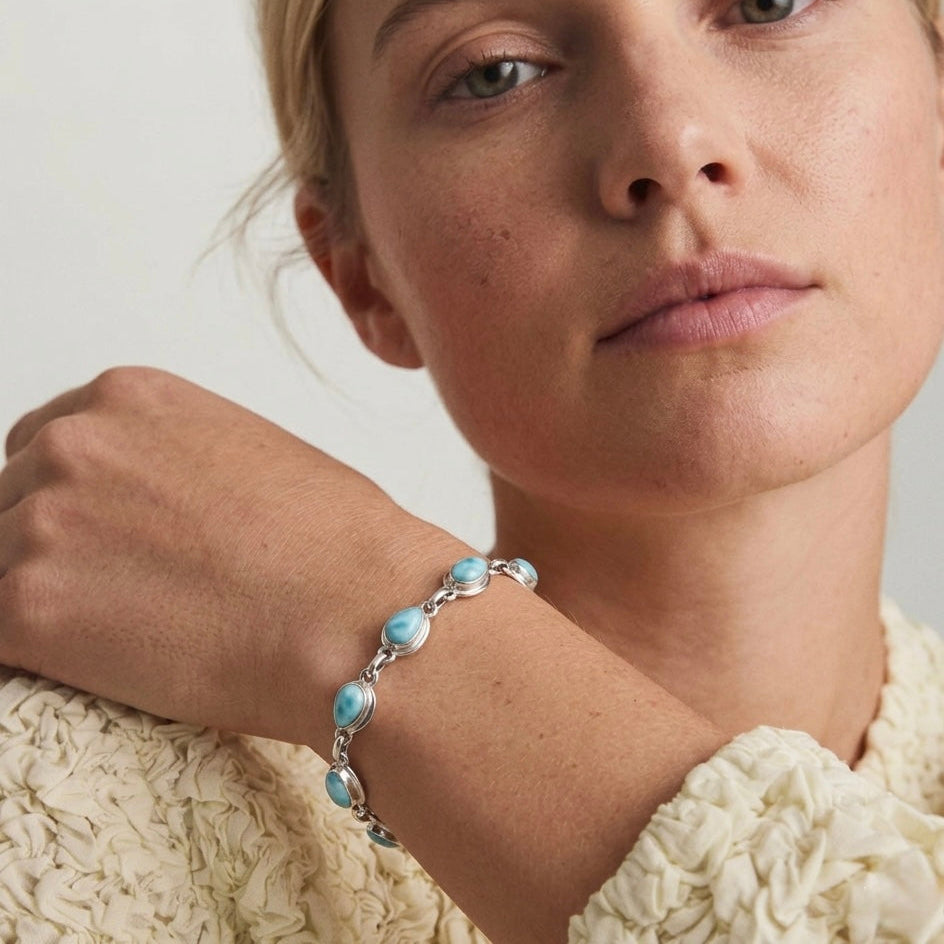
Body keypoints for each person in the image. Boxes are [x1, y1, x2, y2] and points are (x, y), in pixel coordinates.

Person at [1, 0, 944, 940]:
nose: (670, 140)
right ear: (361, 276)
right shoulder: (65, 811)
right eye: (495, 71)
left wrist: (367, 615)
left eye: (767, 4)